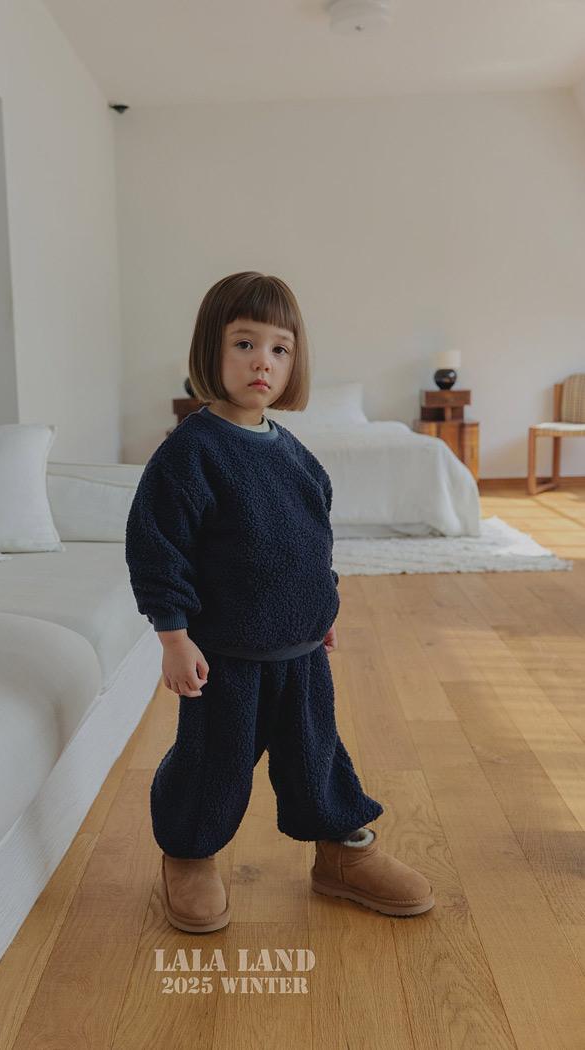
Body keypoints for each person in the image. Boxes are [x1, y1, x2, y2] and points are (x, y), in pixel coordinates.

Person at [125, 271, 434, 933]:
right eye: (244, 344)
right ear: (211, 351)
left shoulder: (298, 458)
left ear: (294, 363)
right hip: (225, 658)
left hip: (300, 653)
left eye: (279, 349)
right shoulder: (188, 456)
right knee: (213, 765)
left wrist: (321, 613)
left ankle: (343, 851)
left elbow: (311, 546)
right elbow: (159, 552)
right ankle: (189, 852)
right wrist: (174, 637)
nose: (262, 361)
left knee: (317, 756)